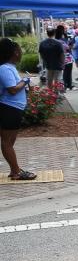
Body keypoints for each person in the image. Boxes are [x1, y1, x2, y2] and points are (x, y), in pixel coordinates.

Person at [0, 39, 35, 180]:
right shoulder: (5, 68)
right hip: (9, 108)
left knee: (7, 142)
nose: (21, 53)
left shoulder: (9, 67)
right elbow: (13, 89)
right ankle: (16, 172)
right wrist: (25, 80)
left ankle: (14, 170)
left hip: (12, 108)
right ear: (14, 53)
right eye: (19, 50)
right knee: (7, 142)